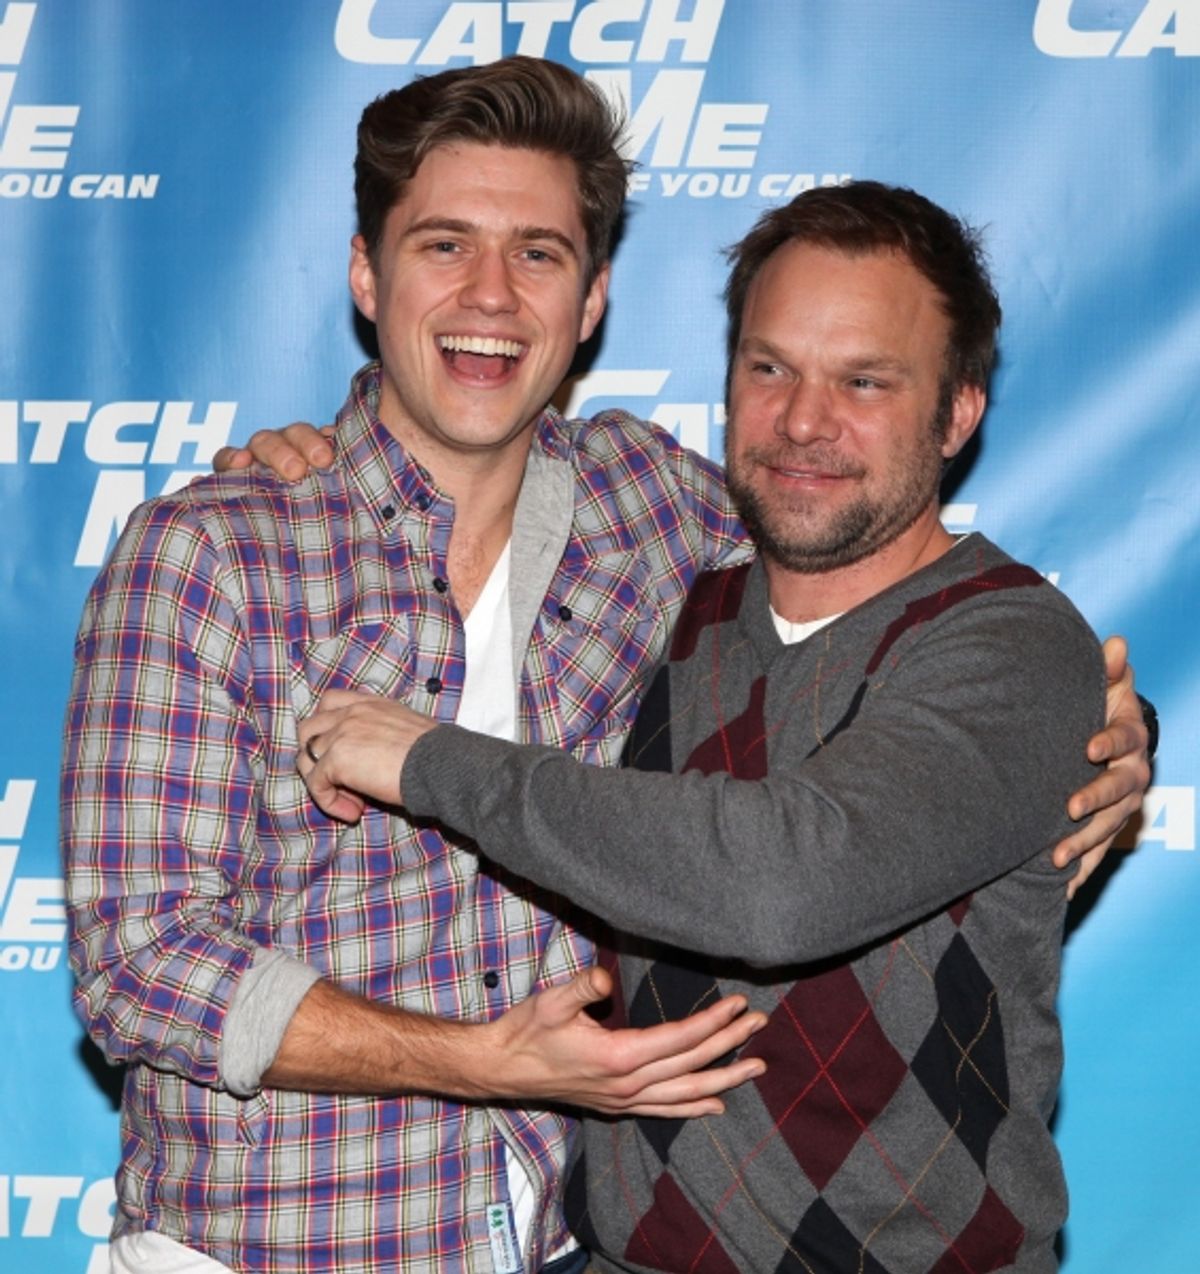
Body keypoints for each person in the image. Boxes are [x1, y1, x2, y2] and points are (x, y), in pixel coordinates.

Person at [66, 58, 1145, 1274]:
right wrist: (473, 1058)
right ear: (367, 276)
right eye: (442, 246)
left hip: (554, 1243)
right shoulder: (214, 548)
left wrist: (1095, 721)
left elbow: (879, 577)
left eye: (537, 252)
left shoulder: (654, 512)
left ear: (592, 301)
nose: (491, 295)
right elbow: (139, 960)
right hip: (269, 1246)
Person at [291, 181, 1132, 1272]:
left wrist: (428, 759)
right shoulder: (672, 599)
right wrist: (307, 463)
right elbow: (460, 467)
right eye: (770, 367)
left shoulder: (1008, 642)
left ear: (958, 411)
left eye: (864, 380)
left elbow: (782, 882)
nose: (803, 421)